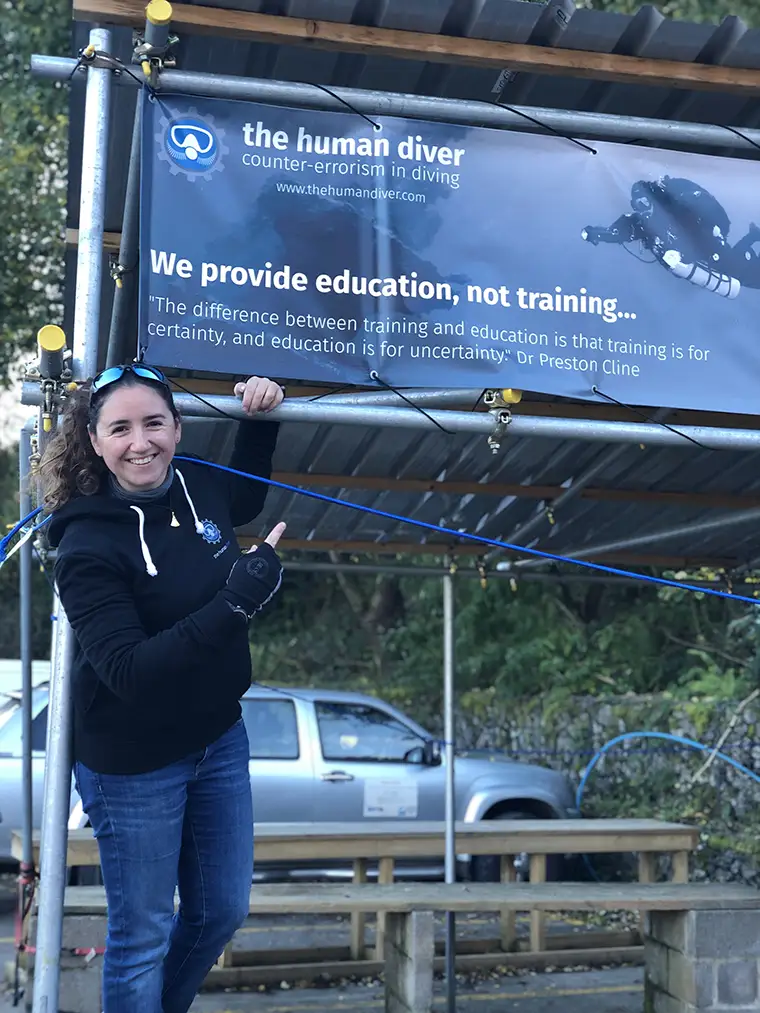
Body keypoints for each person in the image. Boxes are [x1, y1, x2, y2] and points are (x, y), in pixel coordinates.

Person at [39, 363, 287, 1013]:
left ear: (177, 428)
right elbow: (129, 671)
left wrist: (263, 419)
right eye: (120, 428)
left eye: (153, 423)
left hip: (217, 736)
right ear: (95, 441)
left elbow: (245, 500)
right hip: (133, 759)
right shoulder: (86, 543)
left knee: (221, 911)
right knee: (143, 933)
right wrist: (236, 602)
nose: (139, 442)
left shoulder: (198, 481)